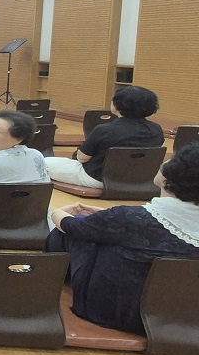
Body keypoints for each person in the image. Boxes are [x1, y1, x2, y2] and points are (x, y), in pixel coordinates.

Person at [45, 143, 199, 334]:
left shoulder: (128, 217)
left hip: (122, 313)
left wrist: (57, 213)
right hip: (186, 313)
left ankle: (46, 286)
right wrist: (106, 216)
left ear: (172, 175)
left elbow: (73, 228)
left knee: (70, 229)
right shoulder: (129, 218)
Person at [44, 86, 164, 189]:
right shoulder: (156, 129)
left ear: (117, 105)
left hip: (100, 179)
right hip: (140, 179)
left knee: (43, 162)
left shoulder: (104, 129)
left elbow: (82, 158)